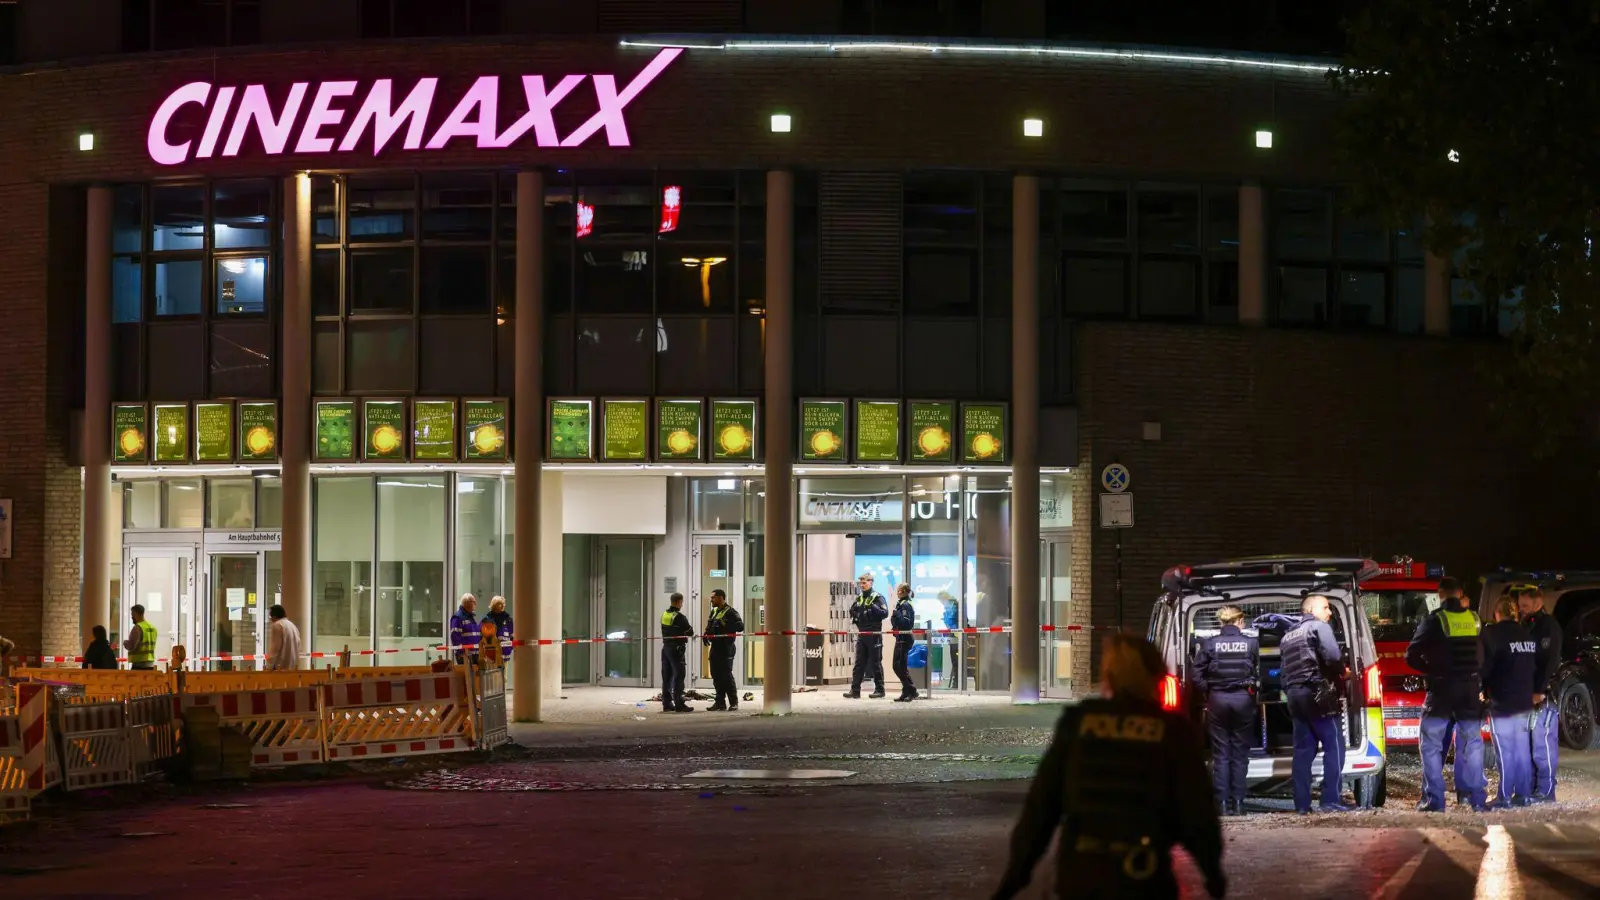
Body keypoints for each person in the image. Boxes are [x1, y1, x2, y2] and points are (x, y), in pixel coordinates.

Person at [990, 634, 1225, 900]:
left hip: (1080, 874)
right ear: (1157, 674)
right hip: (1143, 876)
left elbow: (1040, 808)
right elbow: (1197, 813)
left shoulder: (1079, 722)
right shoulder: (1172, 731)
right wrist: (1213, 873)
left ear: (1109, 676)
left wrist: (1014, 877)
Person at [1407, 576, 1488, 812]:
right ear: (1460, 593)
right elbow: (1485, 655)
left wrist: (1431, 669)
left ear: (1440, 594)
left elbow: (1411, 655)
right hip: (1470, 690)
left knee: (1431, 744)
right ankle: (1472, 798)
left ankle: (1434, 800)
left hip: (1442, 690)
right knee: (1471, 744)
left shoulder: (1434, 620)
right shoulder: (1474, 620)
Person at [1279, 594, 1350, 814]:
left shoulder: (1287, 636)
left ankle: (1302, 804)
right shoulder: (1318, 627)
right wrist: (1342, 671)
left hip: (1294, 696)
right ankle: (1330, 800)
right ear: (1310, 609)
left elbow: (1283, 674)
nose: (1329, 612)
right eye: (1326, 607)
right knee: (1334, 747)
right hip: (1319, 694)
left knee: (1302, 751)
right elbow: (1332, 655)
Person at [1192, 606, 1259, 816]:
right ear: (1239, 622)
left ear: (1222, 623)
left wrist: (1209, 690)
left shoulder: (1209, 644)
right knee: (1239, 754)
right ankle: (1239, 804)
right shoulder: (1251, 643)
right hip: (1242, 700)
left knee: (1221, 754)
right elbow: (1259, 673)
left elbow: (1196, 675)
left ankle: (1221, 804)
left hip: (1218, 700)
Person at [1481, 595, 1536, 809]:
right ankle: (1523, 795)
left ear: (1498, 613)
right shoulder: (1527, 635)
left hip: (1502, 701)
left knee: (1504, 750)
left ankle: (1504, 796)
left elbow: (1485, 667)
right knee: (1522, 749)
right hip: (1524, 700)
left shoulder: (1492, 634)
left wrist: (1482, 689)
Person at [1519, 584, 1563, 802]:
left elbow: (1550, 661)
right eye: (1520, 606)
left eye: (1525, 605)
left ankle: (1546, 792)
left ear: (1538, 603)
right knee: (1530, 746)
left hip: (1543, 696)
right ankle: (1534, 789)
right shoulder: (1528, 625)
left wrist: (1539, 690)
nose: (1522, 610)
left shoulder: (1548, 626)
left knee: (1542, 745)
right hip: (1528, 694)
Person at [844, 573, 889, 699]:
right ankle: (855, 690)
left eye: (864, 582)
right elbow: (853, 611)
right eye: (861, 583)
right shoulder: (859, 598)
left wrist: (872, 607)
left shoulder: (877, 597)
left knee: (876, 663)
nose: (862, 585)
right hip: (862, 633)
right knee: (859, 663)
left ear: (871, 582)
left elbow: (885, 613)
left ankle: (880, 690)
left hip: (874, 634)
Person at [703, 589, 744, 711]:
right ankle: (720, 703)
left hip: (727, 648)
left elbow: (740, 626)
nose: (711, 600)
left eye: (713, 598)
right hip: (715, 647)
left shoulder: (731, 612)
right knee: (716, 675)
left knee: (726, 675)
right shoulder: (714, 611)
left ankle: (733, 702)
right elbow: (709, 626)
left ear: (721, 598)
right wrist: (706, 634)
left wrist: (726, 624)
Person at [660, 592, 695, 712]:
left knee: (667, 677)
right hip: (676, 649)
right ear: (679, 602)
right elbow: (690, 631)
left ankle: (667, 703)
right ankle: (679, 704)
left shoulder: (664, 614)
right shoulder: (679, 617)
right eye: (682, 602)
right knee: (679, 676)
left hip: (665, 648)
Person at [890, 583, 920, 702]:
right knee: (898, 666)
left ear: (903, 591)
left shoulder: (906, 605)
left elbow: (906, 623)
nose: (896, 592)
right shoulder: (901, 604)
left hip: (905, 639)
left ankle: (911, 691)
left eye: (898, 590)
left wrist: (897, 616)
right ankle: (907, 690)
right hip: (900, 638)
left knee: (900, 666)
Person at [266, 605, 303, 671]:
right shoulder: (292, 625)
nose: (271, 619)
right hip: (294, 665)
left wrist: (269, 665)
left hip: (281, 666)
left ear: (274, 616)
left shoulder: (277, 625)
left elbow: (275, 648)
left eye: (270, 616)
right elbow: (299, 645)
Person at [124, 603, 158, 671]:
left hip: (138, 666)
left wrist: (125, 643)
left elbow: (131, 646)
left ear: (140, 614)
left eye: (133, 614)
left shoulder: (137, 628)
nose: (132, 617)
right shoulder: (153, 628)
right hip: (150, 665)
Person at [449, 594, 481, 665]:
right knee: (467, 676)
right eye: (474, 602)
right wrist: (461, 653)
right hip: (465, 656)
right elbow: (455, 637)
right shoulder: (457, 617)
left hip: (475, 655)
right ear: (467, 602)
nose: (475, 604)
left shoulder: (470, 617)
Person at [483, 595, 514, 661]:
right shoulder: (487, 620)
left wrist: (509, 648)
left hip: (505, 656)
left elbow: (513, 636)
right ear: (494, 605)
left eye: (504, 604)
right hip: (491, 658)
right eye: (500, 604)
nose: (503, 606)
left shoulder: (508, 620)